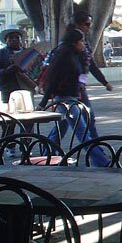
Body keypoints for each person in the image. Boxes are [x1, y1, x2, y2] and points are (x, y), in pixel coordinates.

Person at [39, 29, 109, 166]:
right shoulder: (63, 56)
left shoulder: (76, 55)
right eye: (81, 41)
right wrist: (43, 102)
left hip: (73, 97)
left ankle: (46, 154)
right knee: (83, 133)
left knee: (61, 128)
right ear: (73, 42)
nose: (83, 44)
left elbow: (89, 68)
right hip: (65, 99)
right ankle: (101, 162)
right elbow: (53, 80)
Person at [69, 11, 113, 138]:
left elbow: (90, 64)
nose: (89, 27)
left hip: (78, 87)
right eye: (87, 24)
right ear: (77, 24)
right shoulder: (67, 46)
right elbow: (65, 69)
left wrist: (104, 82)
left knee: (87, 118)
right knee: (83, 119)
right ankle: (95, 149)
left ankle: (95, 147)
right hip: (68, 89)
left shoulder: (83, 42)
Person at [0, 26, 30, 104]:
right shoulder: (0, 53)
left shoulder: (27, 53)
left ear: (20, 40)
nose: (14, 39)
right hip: (7, 90)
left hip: (25, 89)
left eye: (17, 37)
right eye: (11, 37)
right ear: (6, 40)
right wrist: (6, 71)